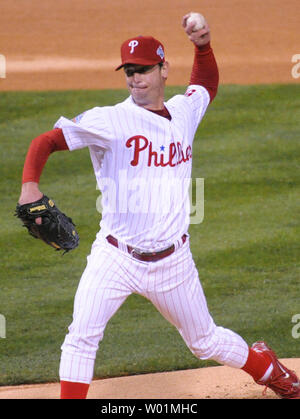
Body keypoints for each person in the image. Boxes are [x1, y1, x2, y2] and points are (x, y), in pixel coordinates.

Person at [18, 12, 300, 399]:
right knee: (81, 338)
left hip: (173, 262)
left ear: (164, 69)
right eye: (129, 70)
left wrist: (202, 45)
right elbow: (45, 141)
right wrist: (30, 187)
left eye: (144, 69)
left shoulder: (183, 113)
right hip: (115, 256)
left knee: (205, 342)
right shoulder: (110, 120)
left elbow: (205, 86)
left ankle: (270, 369)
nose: (135, 77)